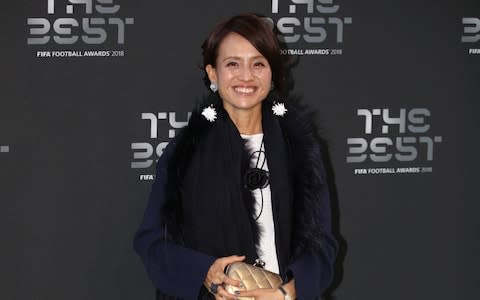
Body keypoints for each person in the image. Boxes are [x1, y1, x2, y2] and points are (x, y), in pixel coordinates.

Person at [133, 13, 338, 300]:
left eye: (258, 64)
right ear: (213, 74)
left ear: (273, 74)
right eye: (232, 64)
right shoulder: (185, 151)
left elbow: (322, 244)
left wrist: (289, 292)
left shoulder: (299, 147)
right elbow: (152, 241)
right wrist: (204, 271)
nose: (246, 76)